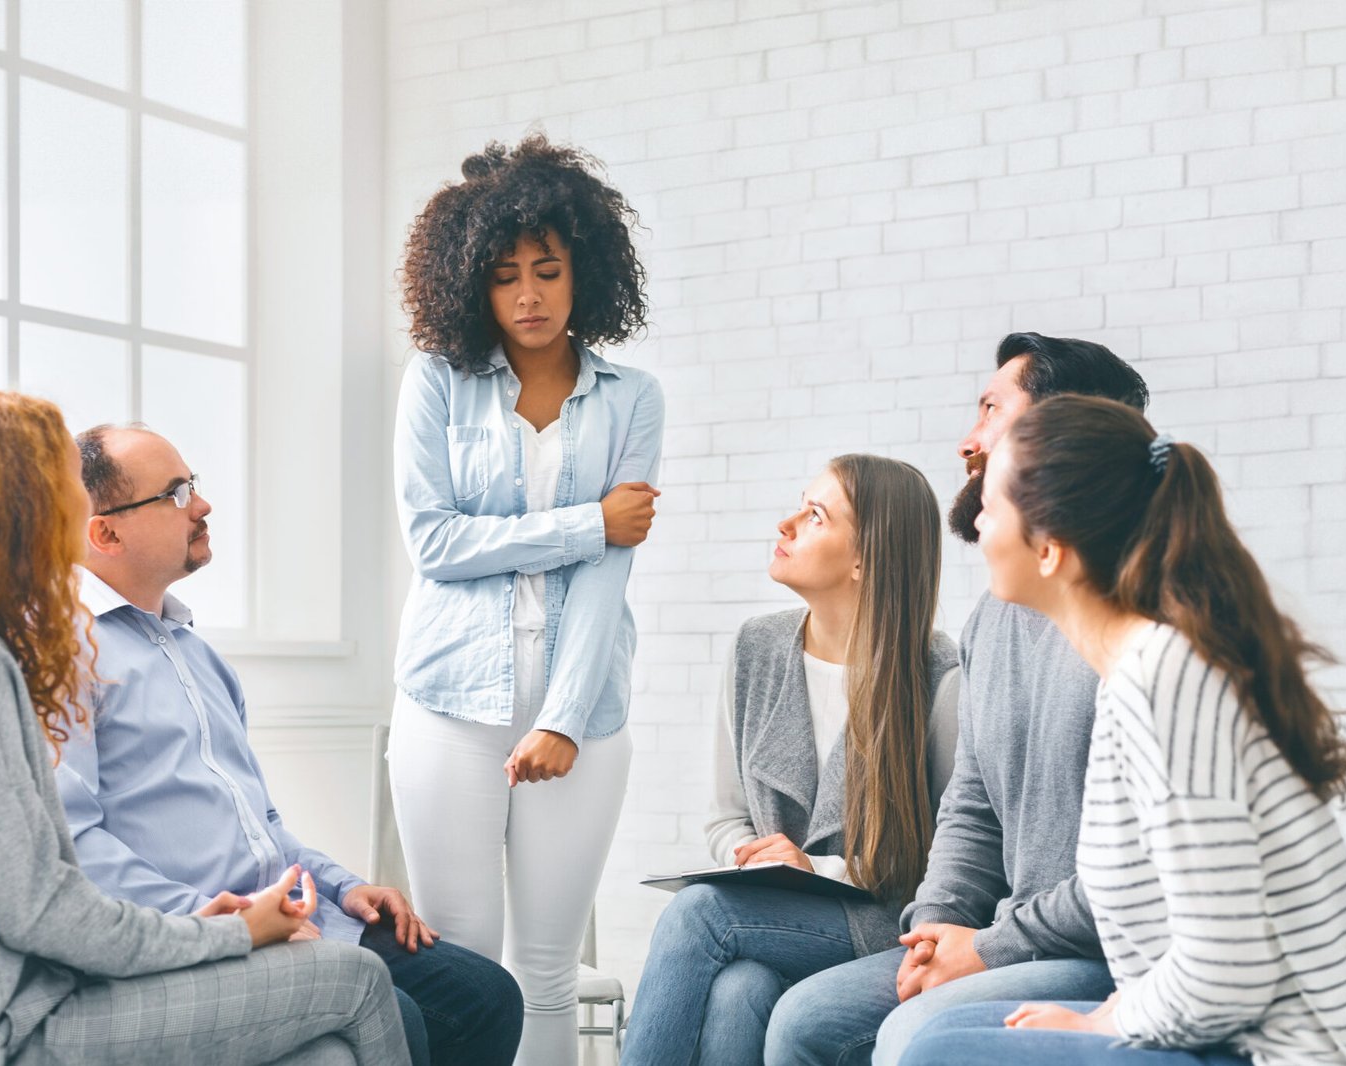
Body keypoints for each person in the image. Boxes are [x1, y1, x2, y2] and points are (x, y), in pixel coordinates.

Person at [0, 392, 407, 1065]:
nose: (81, 515)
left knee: (329, 1051)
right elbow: (41, 910)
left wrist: (214, 924)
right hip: (13, 1025)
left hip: (21, 996)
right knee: (357, 980)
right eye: (63, 490)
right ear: (25, 508)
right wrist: (231, 932)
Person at [901, 394, 1346, 1065]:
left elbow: (1228, 974)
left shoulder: (1164, 682)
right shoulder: (1139, 673)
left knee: (936, 1056)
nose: (975, 519)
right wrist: (1111, 1012)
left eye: (993, 504)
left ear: (1049, 548)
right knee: (940, 1038)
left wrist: (1102, 1026)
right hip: (1214, 1025)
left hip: (1281, 1051)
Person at [56, 424, 523, 1066]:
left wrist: (342, 887)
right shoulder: (65, 655)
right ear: (106, 533)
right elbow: (76, 842)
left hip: (298, 917)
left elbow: (264, 824)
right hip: (201, 937)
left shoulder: (197, 656)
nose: (202, 505)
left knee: (487, 995)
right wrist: (227, 922)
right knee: (402, 1017)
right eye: (175, 493)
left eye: (193, 485)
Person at [765, 333, 1150, 1065]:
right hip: (1008, 939)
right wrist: (934, 929)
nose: (968, 443)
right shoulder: (995, 618)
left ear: (1058, 436)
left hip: (1104, 953)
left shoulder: (1139, 632)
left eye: (990, 410)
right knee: (801, 1019)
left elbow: (1129, 881)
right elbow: (970, 804)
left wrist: (990, 947)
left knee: (913, 1035)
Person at [388, 133, 663, 1066]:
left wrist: (564, 719)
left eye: (548, 271)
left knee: (545, 970)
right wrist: (589, 522)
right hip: (445, 704)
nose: (530, 297)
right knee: (464, 969)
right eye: (506, 278)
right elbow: (434, 543)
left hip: (583, 714)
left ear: (584, 267)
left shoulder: (635, 399)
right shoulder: (435, 383)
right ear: (474, 285)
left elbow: (608, 578)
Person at [620, 455, 960, 1065]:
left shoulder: (938, 673)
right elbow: (726, 819)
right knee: (738, 990)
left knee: (699, 913)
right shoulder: (757, 647)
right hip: (772, 911)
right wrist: (753, 862)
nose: (786, 523)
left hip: (882, 922)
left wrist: (812, 868)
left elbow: (953, 858)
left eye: (815, 516)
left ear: (865, 558)